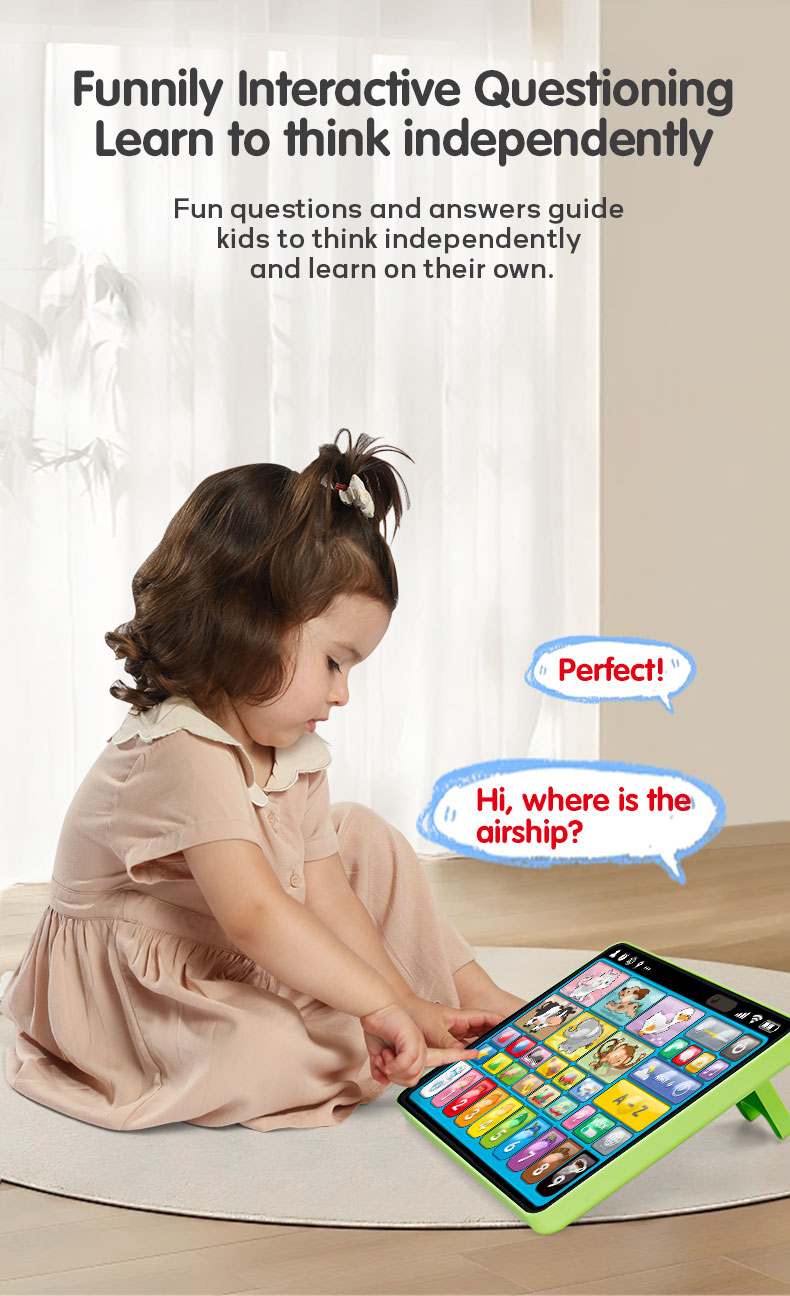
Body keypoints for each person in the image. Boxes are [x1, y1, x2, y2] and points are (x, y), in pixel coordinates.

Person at [1, 431, 524, 1133]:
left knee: (365, 836)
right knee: (266, 1049)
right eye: (335, 662)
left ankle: (460, 1004)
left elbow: (330, 894)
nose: (342, 695)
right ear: (245, 624)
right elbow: (254, 916)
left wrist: (400, 997)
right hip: (136, 980)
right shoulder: (183, 747)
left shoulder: (294, 750)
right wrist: (374, 1005)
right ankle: (369, 1040)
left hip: (222, 943)